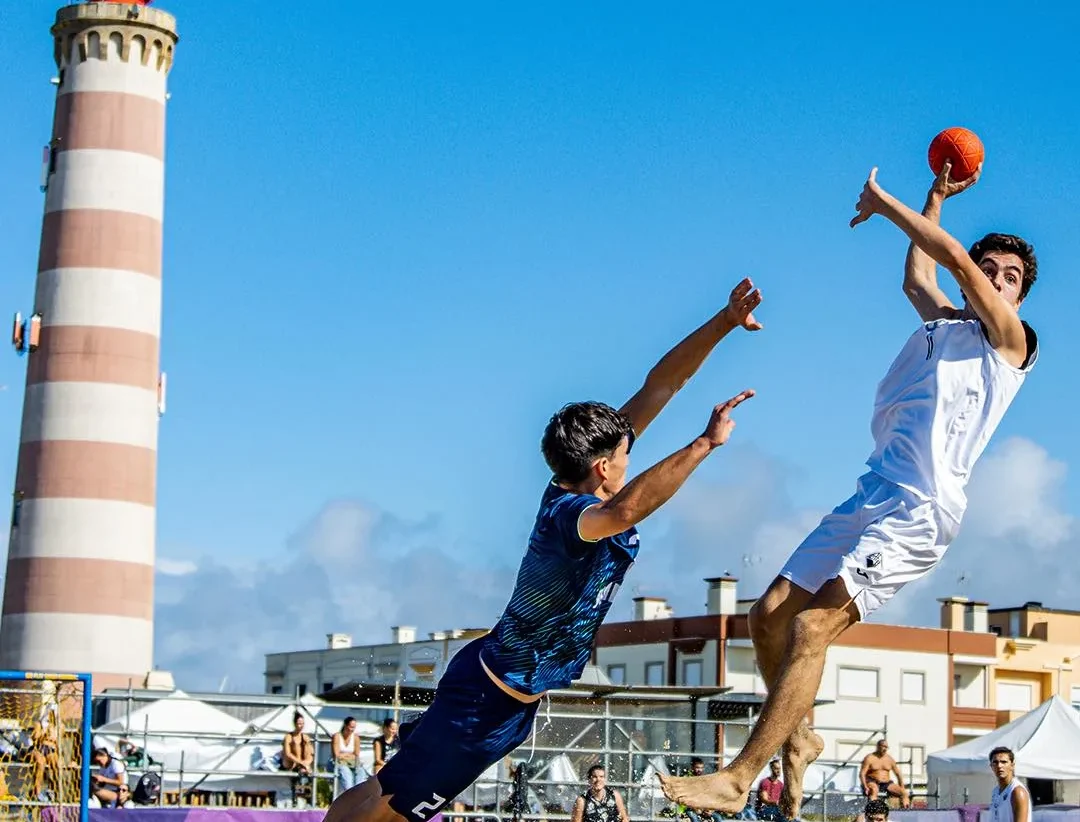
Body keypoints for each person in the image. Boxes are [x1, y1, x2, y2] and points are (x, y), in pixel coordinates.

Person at [661, 161, 1038, 818]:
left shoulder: (1010, 343)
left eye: (1010, 279)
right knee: (767, 614)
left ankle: (740, 776)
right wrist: (935, 197)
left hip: (921, 512)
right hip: (872, 492)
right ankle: (798, 733)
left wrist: (889, 204)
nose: (998, 283)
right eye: (994, 271)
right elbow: (920, 273)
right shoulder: (944, 325)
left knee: (813, 627)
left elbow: (950, 259)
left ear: (1018, 298)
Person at [325, 278, 764, 822]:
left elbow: (660, 386)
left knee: (387, 788)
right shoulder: (573, 516)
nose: (632, 452)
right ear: (604, 467)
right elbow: (625, 513)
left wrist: (723, 322)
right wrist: (704, 444)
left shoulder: (582, 482)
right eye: (626, 452)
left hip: (498, 692)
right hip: (487, 703)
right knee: (395, 806)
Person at [859, 740, 909, 808]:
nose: (885, 749)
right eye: (883, 746)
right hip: (872, 781)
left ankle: (905, 812)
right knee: (874, 790)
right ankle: (873, 811)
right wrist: (865, 786)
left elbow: (898, 774)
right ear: (878, 746)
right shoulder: (869, 758)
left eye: (886, 747)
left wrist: (902, 787)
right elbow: (862, 773)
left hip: (886, 783)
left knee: (904, 793)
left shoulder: (889, 759)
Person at [989, 747, 1030, 822]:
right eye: (995, 762)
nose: (999, 766)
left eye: (1004, 762)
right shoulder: (995, 791)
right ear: (991, 766)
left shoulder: (1017, 792)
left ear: (1012, 765)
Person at [333, 717, 366, 798]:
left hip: (352, 762)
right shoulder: (337, 736)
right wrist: (349, 755)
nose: (352, 729)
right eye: (350, 727)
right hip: (338, 763)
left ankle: (359, 795)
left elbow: (356, 754)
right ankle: (350, 795)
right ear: (345, 725)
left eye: (353, 727)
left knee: (361, 772)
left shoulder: (356, 738)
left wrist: (343, 755)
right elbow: (336, 755)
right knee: (346, 773)